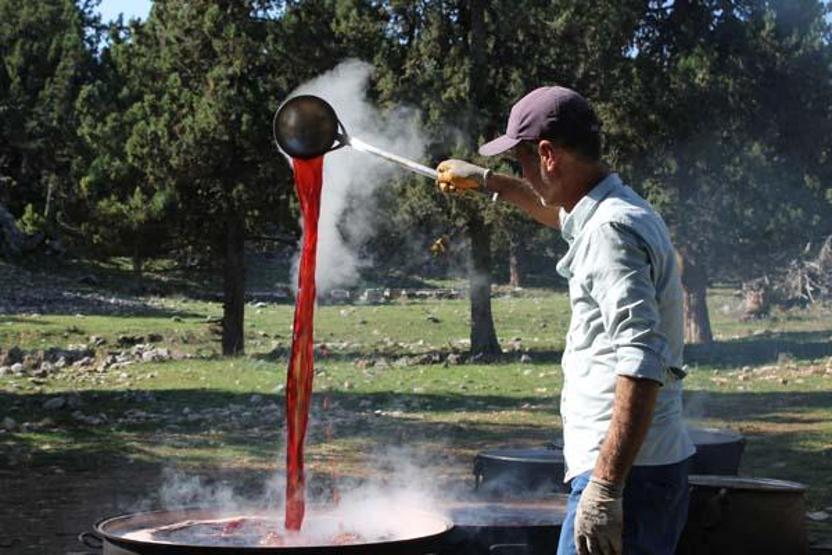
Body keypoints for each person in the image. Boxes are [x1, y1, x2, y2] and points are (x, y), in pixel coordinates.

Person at [435, 86, 695, 555]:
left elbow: (642, 358)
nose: (524, 174)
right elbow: (559, 215)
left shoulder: (609, 232)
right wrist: (489, 182)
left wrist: (605, 489)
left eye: (522, 162)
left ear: (548, 155)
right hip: (644, 471)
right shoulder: (616, 209)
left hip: (625, 479)